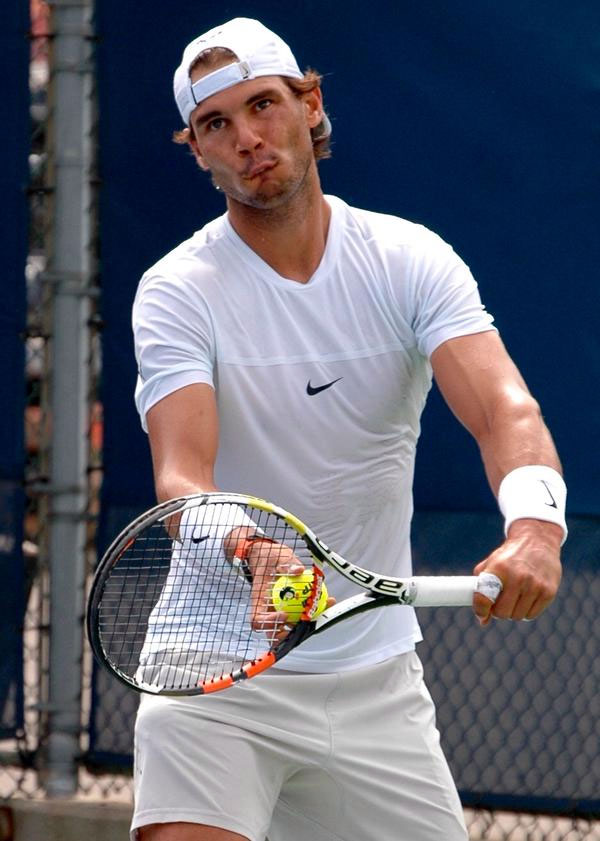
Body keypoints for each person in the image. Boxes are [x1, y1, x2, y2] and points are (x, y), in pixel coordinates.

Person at [130, 17, 566, 841]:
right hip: (216, 677)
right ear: (197, 150)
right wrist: (257, 547)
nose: (248, 138)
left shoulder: (410, 259)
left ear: (309, 102)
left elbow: (504, 410)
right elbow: (182, 478)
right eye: (217, 124)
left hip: (374, 678)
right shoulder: (176, 290)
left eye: (263, 104)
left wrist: (538, 528)